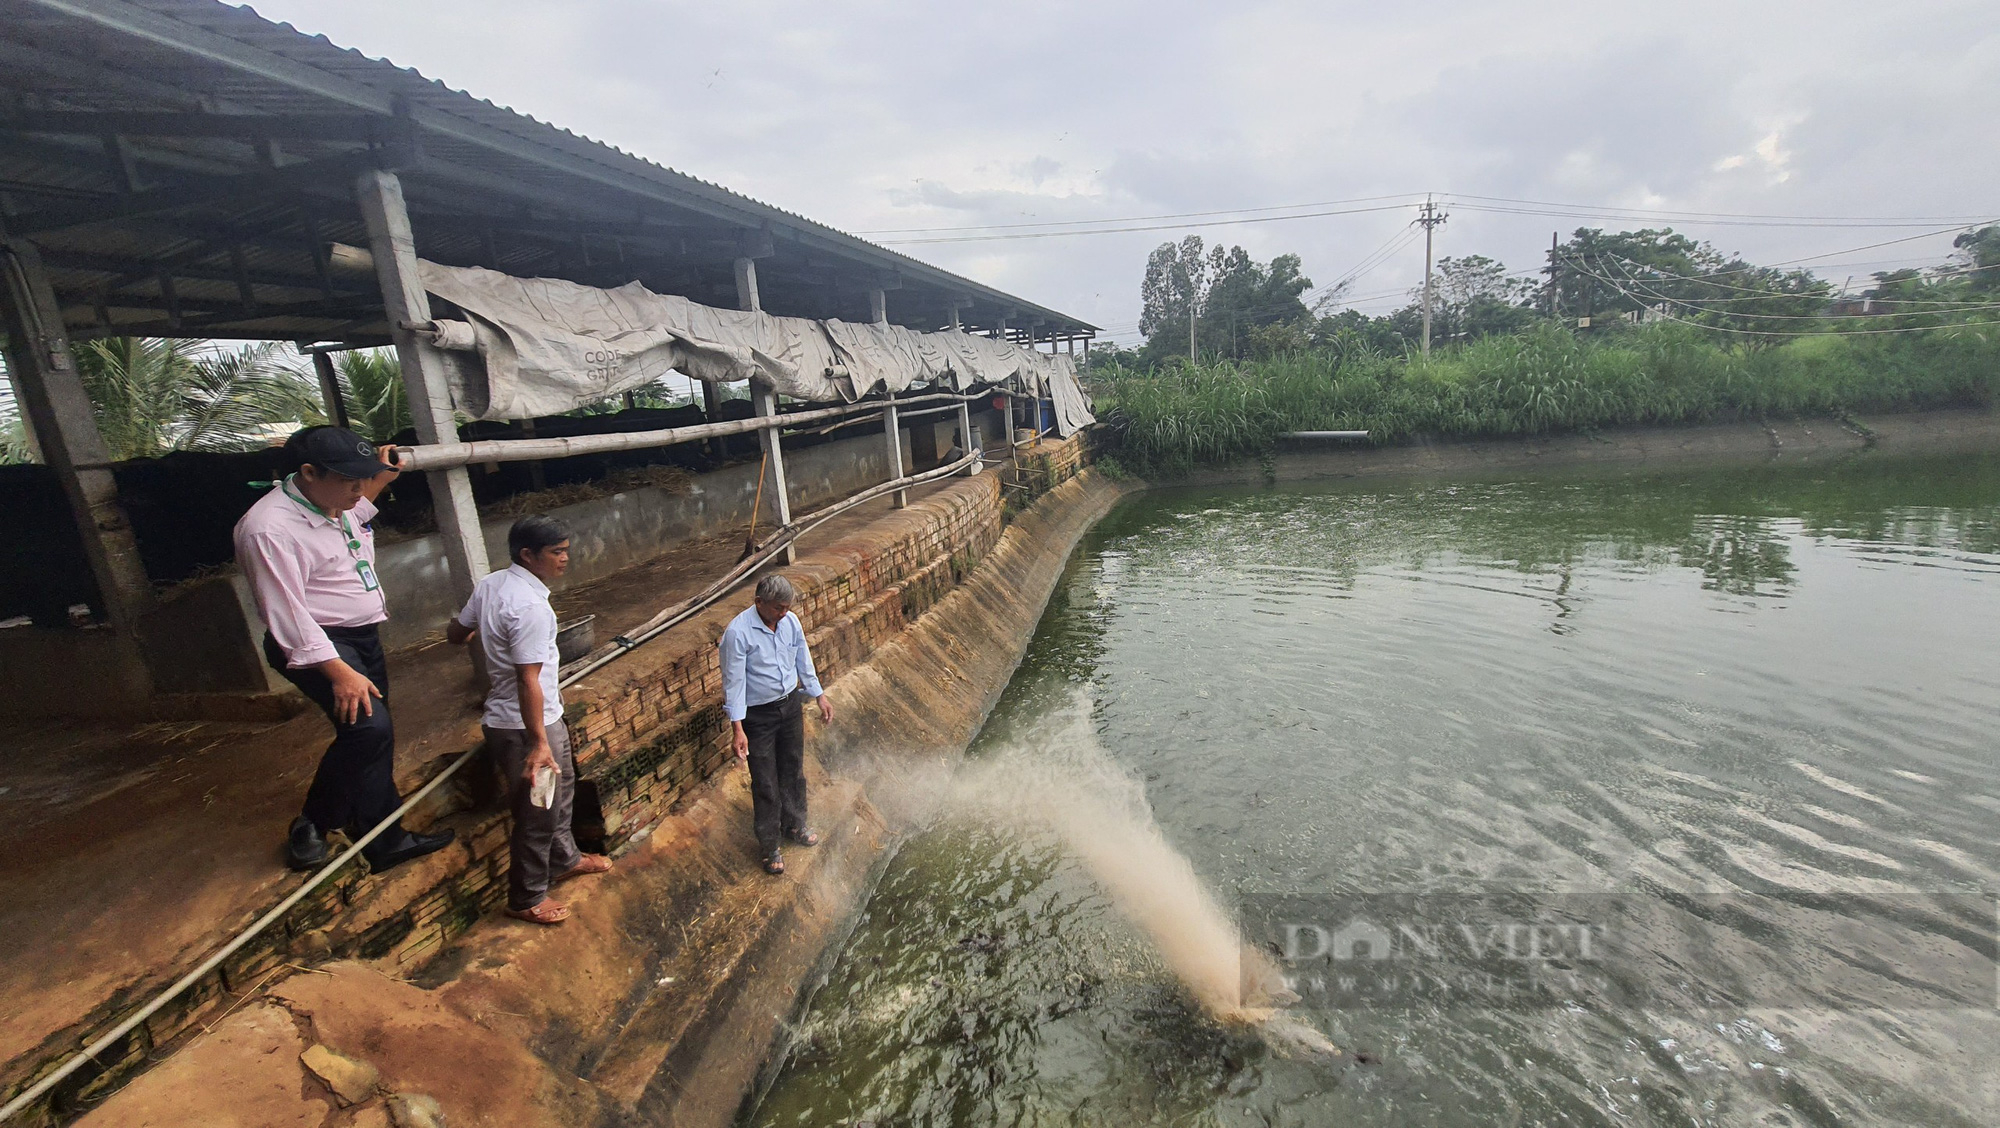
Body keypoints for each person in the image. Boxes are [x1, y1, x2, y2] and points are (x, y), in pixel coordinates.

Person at [234, 425, 455, 873]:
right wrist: (340, 672)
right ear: (309, 472)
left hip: (362, 636)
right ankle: (313, 822)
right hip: (318, 643)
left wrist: (382, 473)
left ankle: (384, 838)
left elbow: (363, 498)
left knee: (378, 734)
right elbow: (287, 616)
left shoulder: (339, 500)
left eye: (363, 479)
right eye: (350, 480)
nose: (360, 490)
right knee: (368, 731)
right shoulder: (268, 530)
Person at [447, 515, 611, 924]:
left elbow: (457, 631)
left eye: (565, 550)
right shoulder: (530, 608)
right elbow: (527, 679)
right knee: (539, 812)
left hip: (537, 718)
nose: (565, 559)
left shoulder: (491, 585)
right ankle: (527, 897)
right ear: (527, 554)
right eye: (556, 552)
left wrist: (478, 634)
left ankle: (567, 857)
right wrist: (539, 744)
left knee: (562, 791)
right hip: (524, 726)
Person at [720, 574, 834, 875]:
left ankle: (795, 825)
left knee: (793, 769)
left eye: (787, 608)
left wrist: (819, 696)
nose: (783, 614)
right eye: (778, 608)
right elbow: (734, 682)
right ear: (759, 602)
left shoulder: (790, 622)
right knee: (765, 780)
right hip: (758, 716)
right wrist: (738, 728)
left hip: (789, 705)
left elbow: (803, 660)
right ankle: (769, 846)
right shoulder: (738, 633)